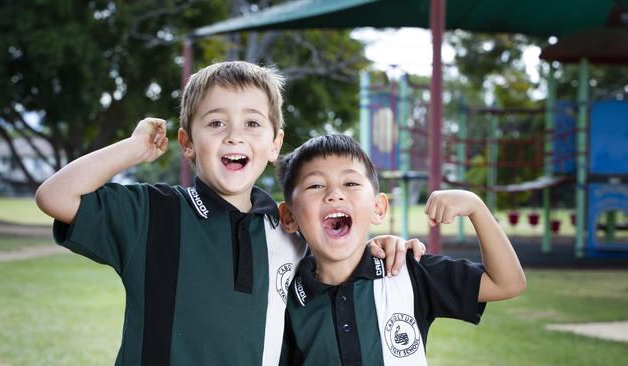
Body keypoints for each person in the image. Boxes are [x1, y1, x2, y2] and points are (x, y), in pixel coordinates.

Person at [35, 61, 425, 366]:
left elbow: (338, 249)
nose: (234, 135)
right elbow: (55, 196)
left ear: (274, 144)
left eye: (252, 123)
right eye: (216, 122)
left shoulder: (286, 229)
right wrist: (134, 148)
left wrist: (381, 244)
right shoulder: (154, 214)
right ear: (187, 143)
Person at [277, 134, 526, 366]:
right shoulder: (284, 302)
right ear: (289, 216)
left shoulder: (409, 271)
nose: (334, 194)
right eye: (316, 185)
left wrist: (476, 207)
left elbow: (507, 283)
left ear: (378, 208)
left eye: (350, 182)